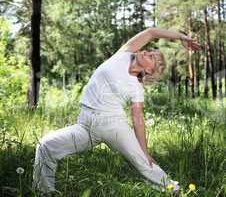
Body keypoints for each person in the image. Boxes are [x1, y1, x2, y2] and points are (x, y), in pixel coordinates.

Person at [32, 28, 202, 194]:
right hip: (85, 124)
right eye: (150, 51)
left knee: (144, 163)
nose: (147, 52)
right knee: (45, 145)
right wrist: (181, 37)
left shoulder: (136, 87)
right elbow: (151, 33)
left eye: (152, 57)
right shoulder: (123, 54)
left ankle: (175, 191)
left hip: (112, 126)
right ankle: (43, 191)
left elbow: (138, 119)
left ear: (149, 71)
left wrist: (144, 151)